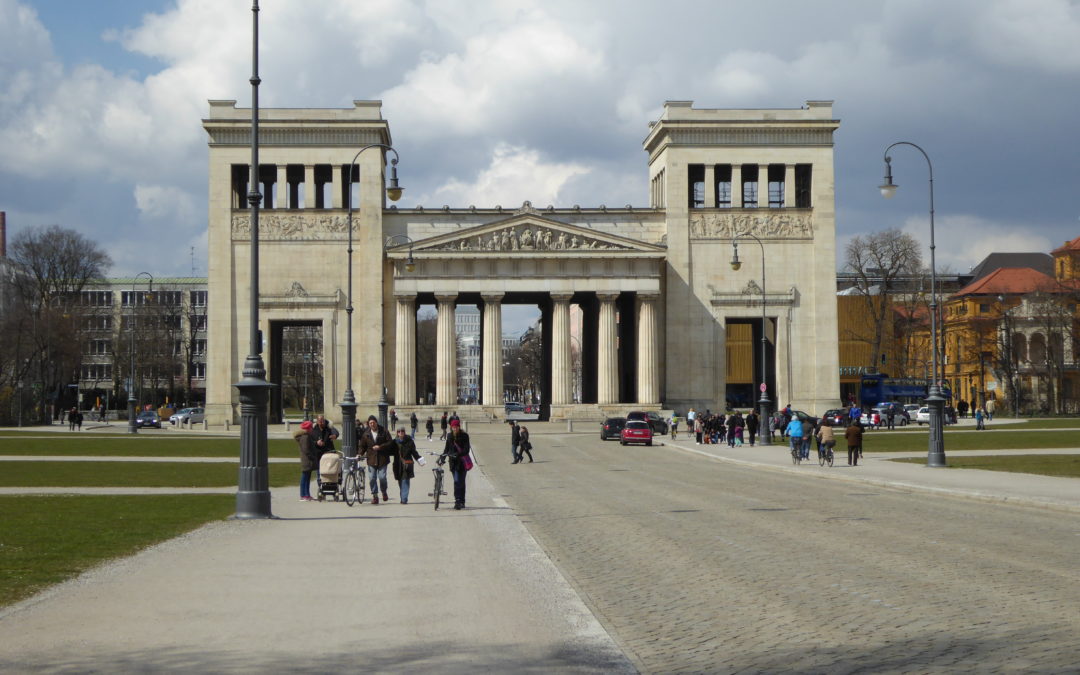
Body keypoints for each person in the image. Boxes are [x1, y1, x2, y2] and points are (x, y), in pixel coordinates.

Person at [358, 415, 393, 504]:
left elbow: (390, 443)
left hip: (382, 459)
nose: (372, 424)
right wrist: (359, 454)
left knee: (382, 477)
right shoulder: (366, 434)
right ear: (368, 424)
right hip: (371, 459)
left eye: (374, 422)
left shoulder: (384, 431)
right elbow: (362, 446)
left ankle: (384, 491)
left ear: (376, 422)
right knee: (372, 478)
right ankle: (375, 496)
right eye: (370, 423)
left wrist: (380, 447)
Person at [444, 419, 471, 510]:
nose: (454, 429)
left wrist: (458, 454)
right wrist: (442, 458)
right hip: (453, 463)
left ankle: (461, 501)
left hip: (462, 463)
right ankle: (458, 500)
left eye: (456, 427)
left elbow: (467, 449)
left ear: (459, 427)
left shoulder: (464, 436)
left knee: (461, 482)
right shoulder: (449, 436)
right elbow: (447, 448)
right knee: (457, 481)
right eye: (453, 427)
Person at [391, 427, 421, 504]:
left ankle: (404, 499)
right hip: (397, 464)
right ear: (397, 433)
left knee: (405, 481)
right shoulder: (394, 442)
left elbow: (414, 452)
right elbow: (388, 450)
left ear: (404, 432)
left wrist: (420, 460)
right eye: (399, 431)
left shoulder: (410, 441)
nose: (401, 432)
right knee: (400, 481)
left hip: (407, 464)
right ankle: (403, 496)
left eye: (402, 431)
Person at [294, 420, 318, 501]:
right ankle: (303, 494)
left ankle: (307, 494)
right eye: (311, 427)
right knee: (304, 477)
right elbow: (306, 449)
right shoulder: (305, 437)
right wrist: (312, 457)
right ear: (308, 428)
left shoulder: (307, 436)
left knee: (307, 477)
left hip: (308, 460)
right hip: (307, 460)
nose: (312, 429)